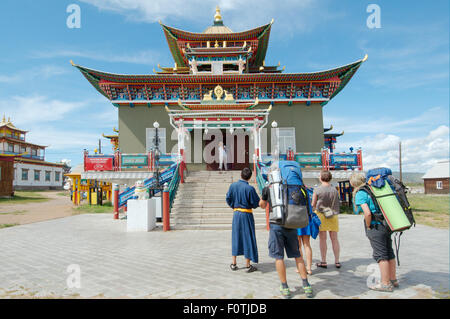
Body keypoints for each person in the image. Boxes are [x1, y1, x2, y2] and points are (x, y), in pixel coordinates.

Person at [260, 180, 313, 298]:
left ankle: (284, 286)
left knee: (278, 257)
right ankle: (306, 284)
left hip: (276, 224)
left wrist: (264, 197)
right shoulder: (292, 186)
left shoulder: (269, 188)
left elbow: (262, 205)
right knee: (297, 255)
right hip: (291, 223)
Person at [350, 172, 398, 292]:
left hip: (376, 226)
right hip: (386, 224)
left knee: (381, 255)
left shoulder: (361, 193)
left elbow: (367, 213)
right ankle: (393, 279)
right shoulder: (373, 189)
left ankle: (385, 283)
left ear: (353, 183)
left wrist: (368, 225)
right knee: (389, 252)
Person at [226, 167, 260, 273]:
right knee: (248, 237)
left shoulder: (233, 186)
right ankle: (247, 265)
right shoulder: (250, 189)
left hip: (236, 214)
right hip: (246, 214)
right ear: (249, 177)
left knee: (236, 237)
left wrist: (234, 206)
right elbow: (255, 203)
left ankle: (234, 263)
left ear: (241, 174)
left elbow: (228, 198)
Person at [312, 170, 341, 269]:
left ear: (321, 178)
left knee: (322, 239)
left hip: (321, 215)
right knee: (334, 239)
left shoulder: (317, 190)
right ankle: (337, 261)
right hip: (333, 215)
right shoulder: (335, 190)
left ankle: (323, 261)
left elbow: (313, 204)